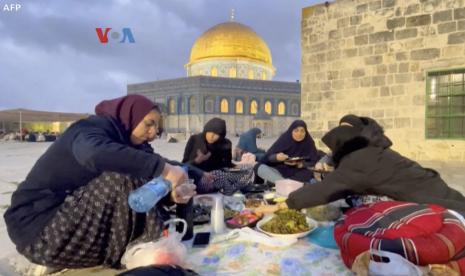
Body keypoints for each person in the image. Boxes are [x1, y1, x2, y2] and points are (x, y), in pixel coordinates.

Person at [4, 95, 196, 270]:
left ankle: (141, 251)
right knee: (120, 176)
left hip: (70, 226)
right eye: (149, 124)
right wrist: (164, 169)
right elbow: (94, 154)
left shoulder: (128, 144)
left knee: (137, 175)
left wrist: (174, 192)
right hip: (38, 230)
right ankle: (146, 247)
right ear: (131, 116)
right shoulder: (90, 129)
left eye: (157, 128)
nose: (153, 133)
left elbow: (159, 172)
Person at [259, 125, 465, 216]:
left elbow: (323, 190)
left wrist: (281, 206)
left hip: (443, 208)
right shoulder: (373, 150)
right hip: (440, 191)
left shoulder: (358, 160)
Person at [313, 114, 392, 177]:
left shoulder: (368, 148)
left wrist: (335, 170)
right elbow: (328, 157)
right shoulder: (342, 146)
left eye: (347, 128)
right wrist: (320, 164)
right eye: (341, 128)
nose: (344, 132)